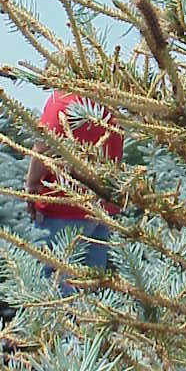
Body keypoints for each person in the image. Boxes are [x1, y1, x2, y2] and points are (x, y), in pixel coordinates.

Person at [26, 91, 123, 283]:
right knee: (89, 285)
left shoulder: (62, 100)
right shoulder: (109, 105)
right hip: (101, 211)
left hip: (62, 209)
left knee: (53, 284)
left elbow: (43, 148)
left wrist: (31, 185)